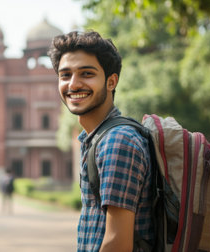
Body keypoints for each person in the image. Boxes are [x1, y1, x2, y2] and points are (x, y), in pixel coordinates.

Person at [48, 31, 153, 251]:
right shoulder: (96, 139)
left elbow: (117, 242)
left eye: (86, 74)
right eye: (65, 75)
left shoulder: (117, 142)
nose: (73, 84)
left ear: (111, 81)